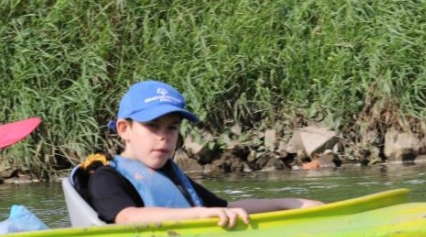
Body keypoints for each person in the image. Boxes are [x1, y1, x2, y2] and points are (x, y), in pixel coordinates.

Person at [85, 80, 322, 227]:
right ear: (124, 129)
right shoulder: (106, 177)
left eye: (172, 128)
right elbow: (127, 217)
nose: (163, 136)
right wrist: (198, 215)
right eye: (152, 126)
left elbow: (226, 207)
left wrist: (287, 204)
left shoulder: (169, 174)